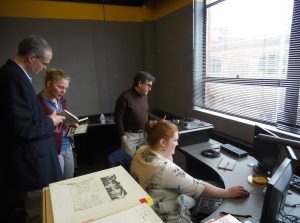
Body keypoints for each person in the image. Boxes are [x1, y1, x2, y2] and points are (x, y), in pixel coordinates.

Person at [0, 35, 65, 223]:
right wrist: (50, 122)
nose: (44, 68)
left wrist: (46, 124)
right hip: (32, 166)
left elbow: (24, 120)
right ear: (31, 58)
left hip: (35, 160)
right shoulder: (13, 78)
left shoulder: (16, 76)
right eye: (44, 63)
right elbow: (21, 128)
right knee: (39, 214)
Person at [130, 120, 249, 223]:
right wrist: (228, 192)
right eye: (175, 140)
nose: (177, 144)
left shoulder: (141, 150)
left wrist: (167, 154)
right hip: (165, 215)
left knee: (192, 199)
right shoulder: (165, 169)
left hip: (148, 205)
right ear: (162, 142)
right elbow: (200, 187)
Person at [37, 68, 78, 180]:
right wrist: (50, 126)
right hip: (53, 149)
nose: (63, 91)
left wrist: (70, 123)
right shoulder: (37, 103)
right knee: (58, 182)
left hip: (67, 145)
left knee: (69, 177)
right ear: (49, 83)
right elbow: (36, 129)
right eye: (60, 87)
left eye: (65, 88)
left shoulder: (62, 101)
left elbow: (62, 120)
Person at [114, 70, 157, 157]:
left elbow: (145, 113)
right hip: (129, 137)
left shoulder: (144, 96)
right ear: (140, 83)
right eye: (149, 85)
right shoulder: (125, 97)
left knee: (144, 161)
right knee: (129, 162)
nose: (150, 89)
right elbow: (118, 118)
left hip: (143, 135)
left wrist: (159, 119)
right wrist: (123, 137)